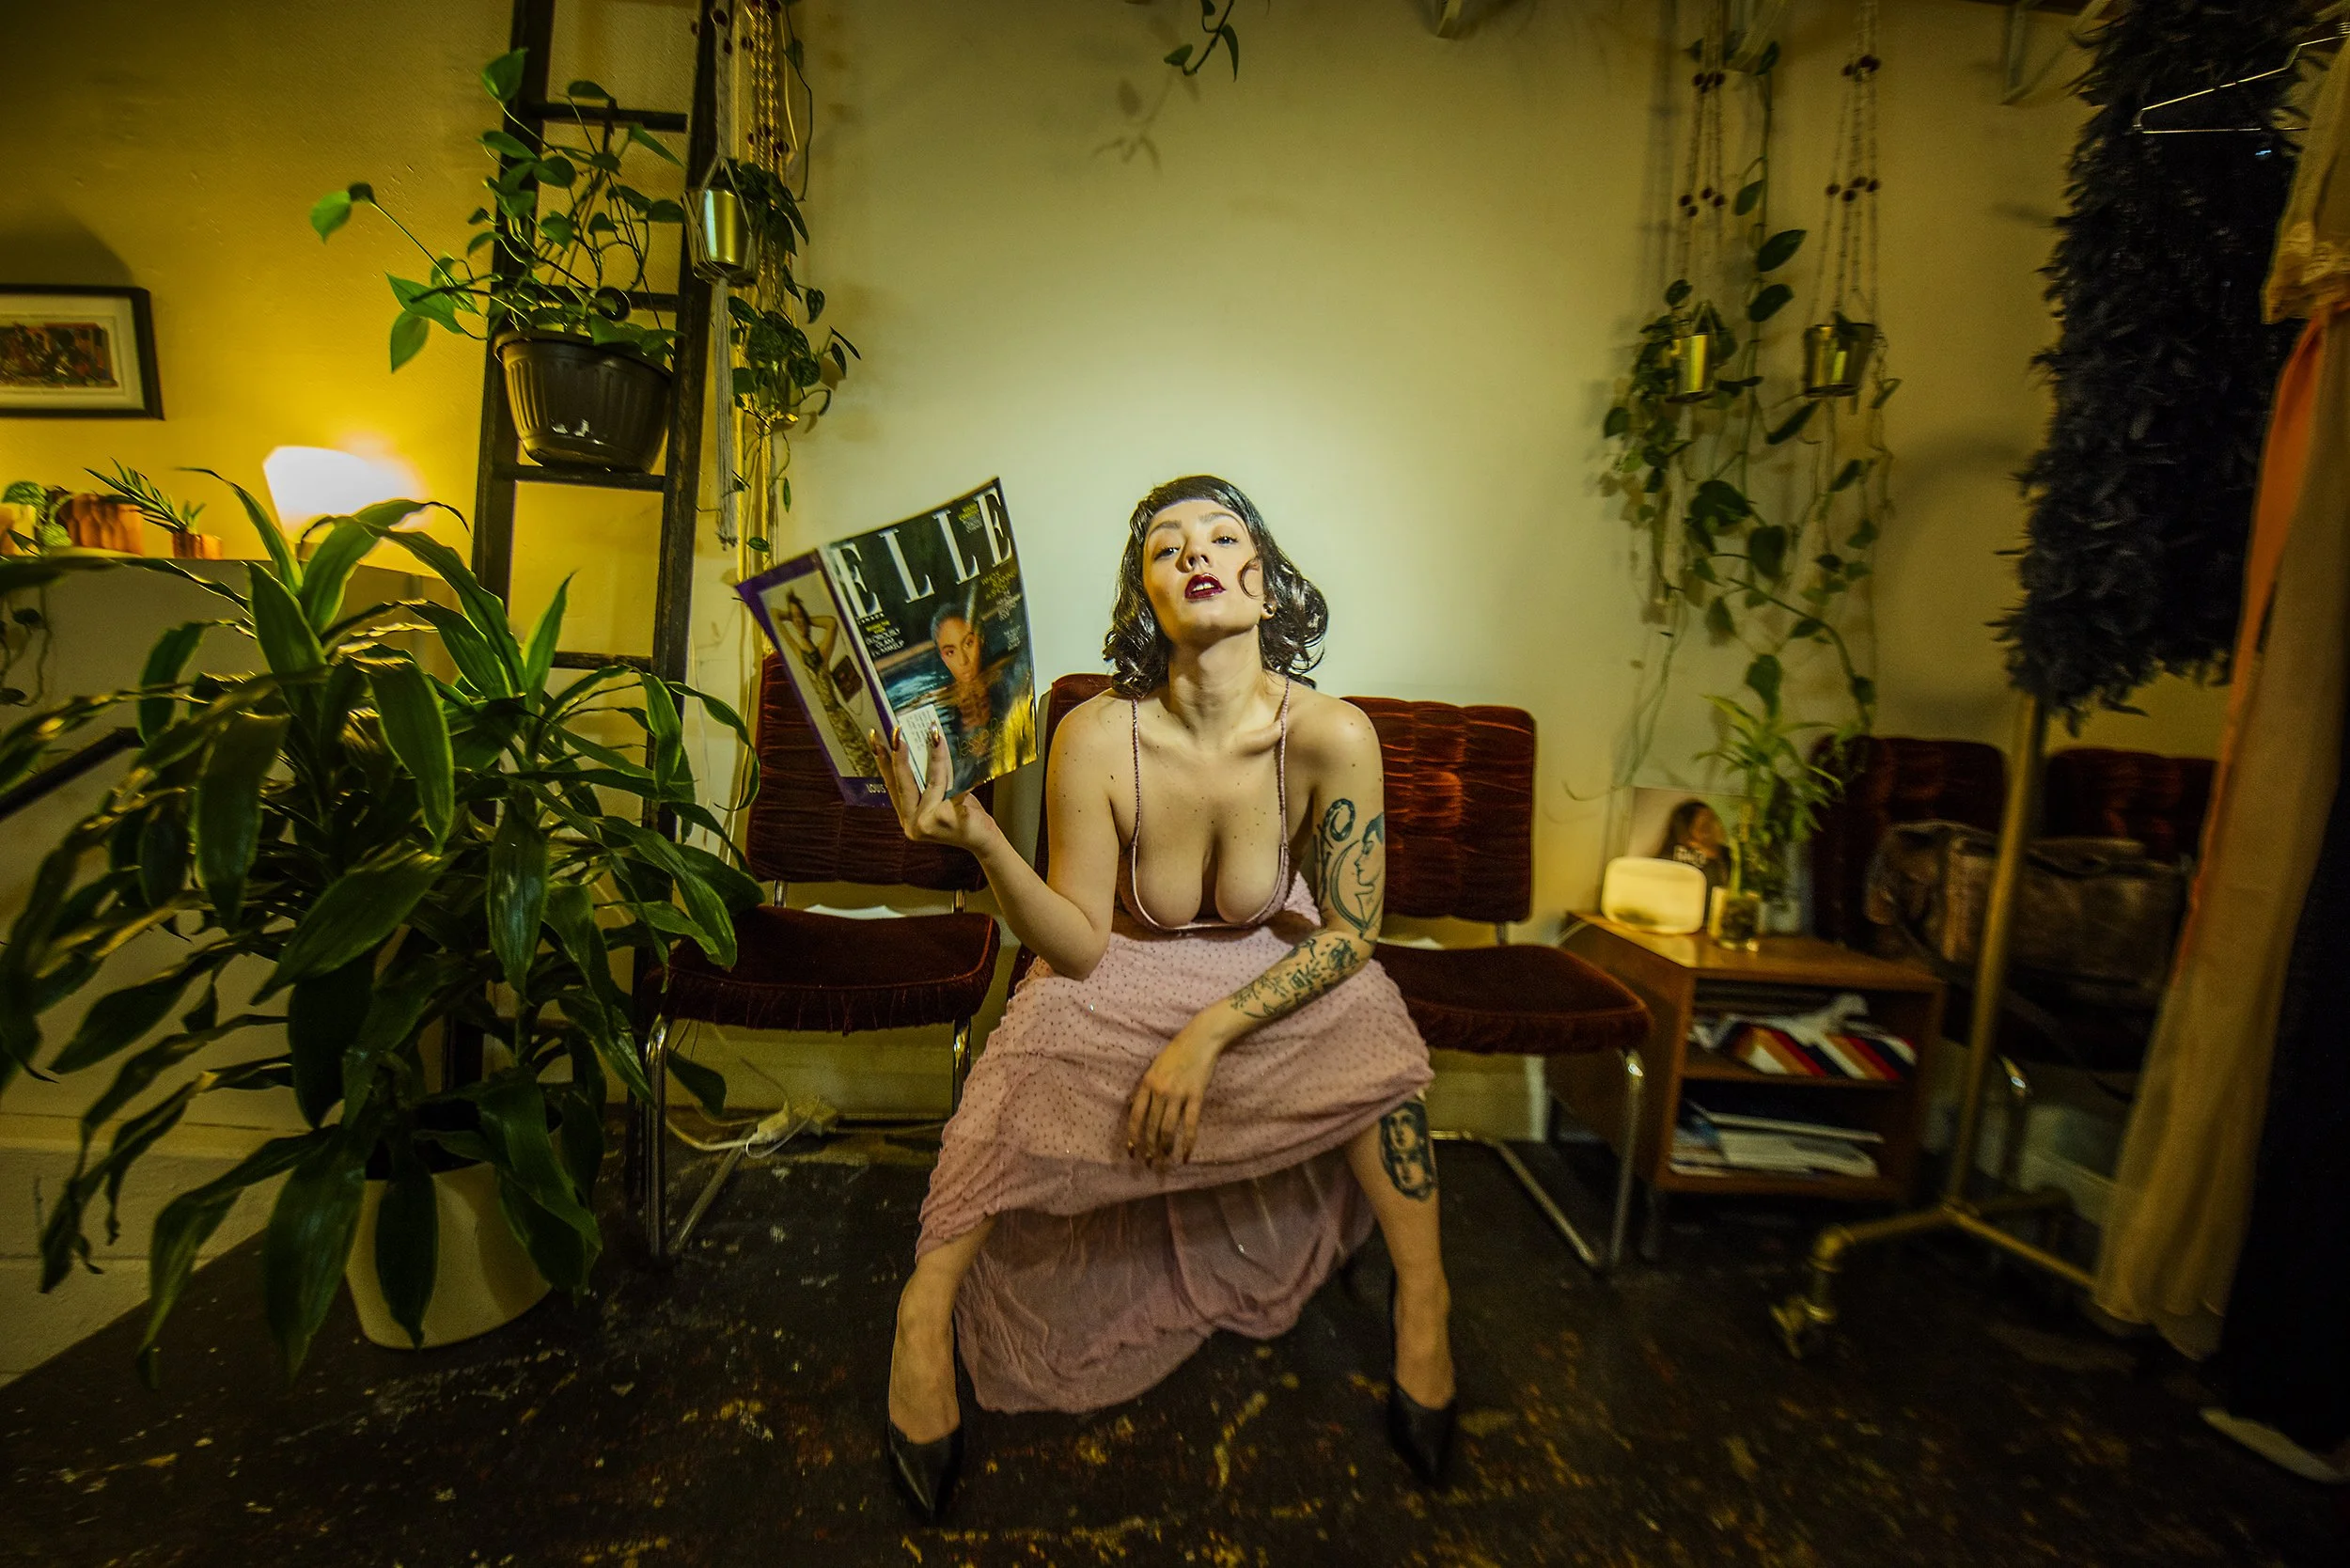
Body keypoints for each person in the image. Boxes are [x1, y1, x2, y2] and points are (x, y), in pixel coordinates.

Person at [870, 475, 1455, 1521]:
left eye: (1223, 536)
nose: (1194, 552)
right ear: (1146, 597)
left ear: (1265, 587)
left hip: (1261, 971)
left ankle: (1425, 1299)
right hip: (1122, 970)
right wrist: (984, 842)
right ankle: (924, 1316)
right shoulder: (1096, 736)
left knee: (1371, 1016)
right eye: (1165, 546)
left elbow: (1350, 932)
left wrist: (1206, 1037)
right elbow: (1079, 947)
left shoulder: (1335, 736)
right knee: (1027, 1045)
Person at [927, 594, 1036, 792]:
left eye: (968, 643)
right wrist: (973, 753)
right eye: (950, 652)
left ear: (981, 639)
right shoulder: (941, 705)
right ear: (942, 657)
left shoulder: (1010, 676)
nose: (963, 661)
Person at [776, 589, 877, 778]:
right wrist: (792, 617)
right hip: (823, 721)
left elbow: (831, 623)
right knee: (849, 764)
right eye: (794, 617)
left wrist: (806, 618)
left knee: (864, 759)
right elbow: (774, 615)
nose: (798, 621)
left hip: (839, 715)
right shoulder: (799, 653)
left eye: (801, 616)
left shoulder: (821, 652)